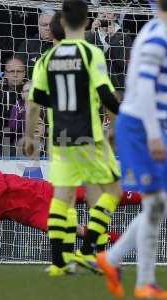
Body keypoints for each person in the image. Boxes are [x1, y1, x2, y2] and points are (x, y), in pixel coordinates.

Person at [25, 0, 121, 276]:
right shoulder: (91, 53)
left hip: (60, 139)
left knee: (63, 197)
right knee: (110, 192)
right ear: (88, 21)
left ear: (62, 23)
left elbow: (34, 103)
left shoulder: (46, 59)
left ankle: (58, 263)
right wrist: (123, 119)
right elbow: (106, 96)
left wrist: (30, 137)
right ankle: (89, 250)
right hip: (88, 137)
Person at [0, 150, 130, 265]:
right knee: (75, 231)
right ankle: (123, 239)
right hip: (31, 215)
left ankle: (145, 196)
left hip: (38, 190)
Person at [97, 1, 167, 298]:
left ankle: (113, 260)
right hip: (142, 128)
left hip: (146, 125)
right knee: (156, 203)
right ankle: (143, 282)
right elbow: (146, 87)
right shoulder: (157, 35)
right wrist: (153, 135)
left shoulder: (154, 30)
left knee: (158, 203)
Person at [0, 56, 27, 156]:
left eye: (19, 71)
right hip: (1, 140)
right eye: (11, 71)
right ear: (6, 73)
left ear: (24, 73)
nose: (15, 75)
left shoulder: (31, 90)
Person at [86, 8, 133, 92]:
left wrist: (112, 38)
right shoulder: (89, 34)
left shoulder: (124, 35)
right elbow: (85, 56)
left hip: (117, 86)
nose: (104, 15)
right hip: (93, 83)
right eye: (101, 13)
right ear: (96, 17)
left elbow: (123, 63)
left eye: (108, 12)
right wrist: (92, 32)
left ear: (115, 17)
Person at [17, 10, 55, 77]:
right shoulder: (28, 44)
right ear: (39, 26)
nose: (48, 28)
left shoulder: (64, 44)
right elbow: (17, 67)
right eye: (44, 25)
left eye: (52, 25)